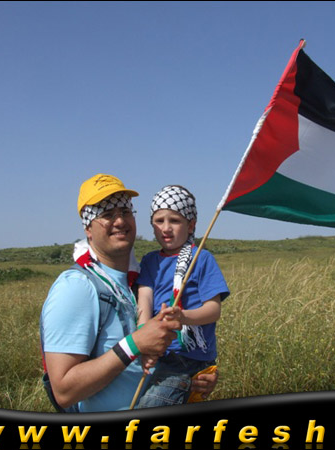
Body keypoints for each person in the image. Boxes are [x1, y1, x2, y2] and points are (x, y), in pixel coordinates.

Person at [40, 174, 217, 412]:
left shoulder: (137, 281)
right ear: (88, 228)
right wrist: (134, 344)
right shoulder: (77, 287)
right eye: (107, 214)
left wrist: (191, 379)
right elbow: (63, 392)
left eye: (125, 211)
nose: (120, 221)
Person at [136, 185, 230, 408]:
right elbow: (144, 301)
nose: (166, 228)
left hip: (189, 358)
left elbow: (213, 310)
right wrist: (144, 341)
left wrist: (183, 317)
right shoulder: (149, 261)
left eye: (175, 221)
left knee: (150, 406)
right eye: (159, 220)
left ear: (191, 225)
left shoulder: (202, 258)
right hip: (160, 351)